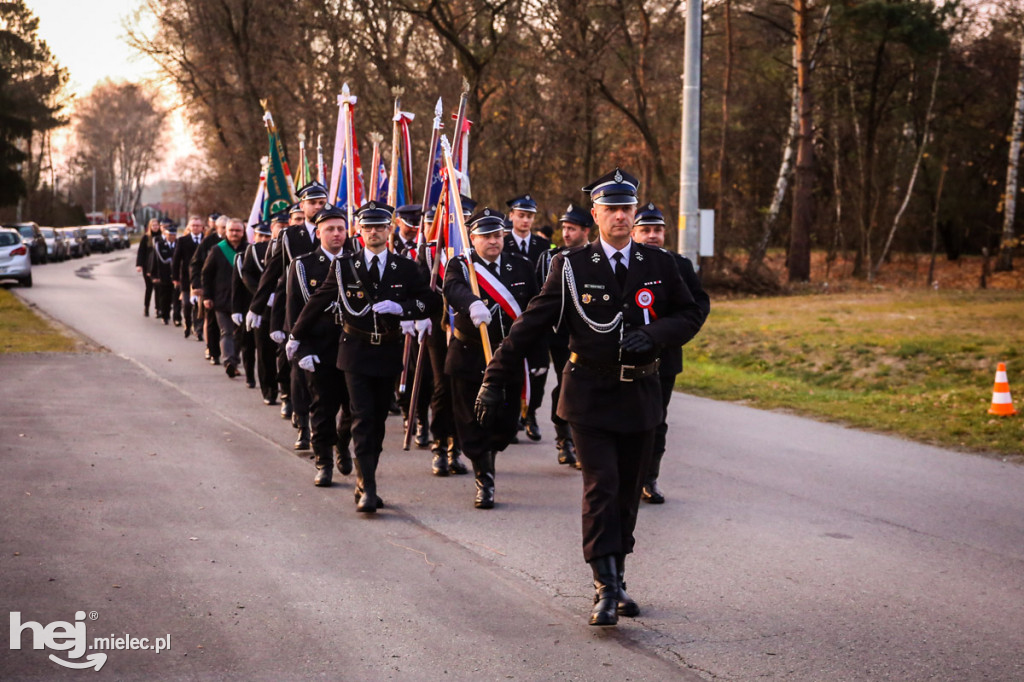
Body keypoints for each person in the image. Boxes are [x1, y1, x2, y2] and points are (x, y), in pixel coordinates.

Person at [476, 168, 707, 626]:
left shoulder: (661, 264)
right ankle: (604, 585)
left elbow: (694, 309)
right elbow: (531, 324)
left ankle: (618, 573)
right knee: (601, 487)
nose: (621, 216)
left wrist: (658, 334)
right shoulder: (570, 265)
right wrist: (495, 376)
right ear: (596, 214)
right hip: (589, 395)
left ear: (635, 212)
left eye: (627, 209)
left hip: (641, 393)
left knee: (625, 494)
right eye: (612, 209)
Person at [291, 201, 438, 513]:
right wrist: (296, 336)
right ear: (359, 231)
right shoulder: (345, 267)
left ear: (389, 230)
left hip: (386, 351)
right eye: (368, 226)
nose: (374, 232)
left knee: (379, 421)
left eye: (380, 226)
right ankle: (366, 487)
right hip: (354, 351)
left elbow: (430, 302)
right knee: (362, 417)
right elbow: (319, 300)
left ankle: (366, 473)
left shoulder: (406, 267)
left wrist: (404, 309)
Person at [444, 208, 537, 508]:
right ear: (472, 238)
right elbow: (452, 288)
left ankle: (490, 454)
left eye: (497, 235)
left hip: (506, 355)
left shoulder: (521, 266)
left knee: (507, 423)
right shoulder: (461, 265)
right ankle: (484, 478)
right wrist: (470, 303)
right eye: (486, 236)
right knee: (472, 420)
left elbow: (534, 305)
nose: (493, 241)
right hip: (469, 354)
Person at [630, 202, 710, 504]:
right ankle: (624, 477)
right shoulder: (622, 265)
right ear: (634, 232)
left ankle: (649, 478)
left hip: (664, 360)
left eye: (658, 230)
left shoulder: (679, 265)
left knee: (656, 421)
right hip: (623, 359)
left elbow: (697, 308)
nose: (652, 235)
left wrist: (665, 334)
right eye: (646, 230)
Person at [283, 205, 353, 486]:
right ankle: (323, 462)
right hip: (319, 348)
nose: (336, 234)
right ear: (318, 232)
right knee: (323, 410)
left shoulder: (355, 262)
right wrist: (302, 349)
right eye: (330, 229)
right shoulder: (303, 265)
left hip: (352, 348)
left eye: (341, 229)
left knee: (353, 409)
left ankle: (343, 443)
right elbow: (296, 310)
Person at [537, 203, 594, 468]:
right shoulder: (553, 258)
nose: (566, 233)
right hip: (560, 335)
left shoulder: (597, 258)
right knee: (566, 384)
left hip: (590, 335)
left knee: (588, 389)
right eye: (564, 228)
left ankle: (585, 442)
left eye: (572, 228)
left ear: (586, 230)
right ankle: (564, 439)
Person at [503, 194, 550, 442]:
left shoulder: (543, 247)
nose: (525, 220)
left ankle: (530, 415)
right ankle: (511, 419)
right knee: (511, 369)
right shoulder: (502, 242)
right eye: (521, 215)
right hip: (510, 313)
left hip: (537, 315)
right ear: (511, 216)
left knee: (538, 369)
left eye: (529, 216)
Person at [202, 217, 248, 379]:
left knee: (240, 334)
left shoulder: (249, 250)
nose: (234, 233)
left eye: (238, 230)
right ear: (225, 232)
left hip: (243, 301)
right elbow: (206, 274)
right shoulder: (217, 250)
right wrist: (206, 296)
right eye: (231, 230)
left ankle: (234, 360)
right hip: (221, 300)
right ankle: (229, 362)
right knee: (226, 332)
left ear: (243, 232)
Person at [232, 221, 274, 389]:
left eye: (267, 236)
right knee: (248, 345)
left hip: (269, 309)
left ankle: (269, 383)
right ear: (253, 236)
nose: (263, 239)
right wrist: (236, 310)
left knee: (266, 349)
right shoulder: (242, 257)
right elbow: (237, 285)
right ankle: (250, 375)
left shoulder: (275, 255)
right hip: (248, 306)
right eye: (260, 236)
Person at [192, 215, 227, 364]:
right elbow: (196, 264)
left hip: (230, 289)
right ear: (217, 228)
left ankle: (230, 355)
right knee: (211, 321)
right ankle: (213, 351)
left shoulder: (237, 243)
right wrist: (197, 285)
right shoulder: (209, 242)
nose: (226, 231)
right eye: (223, 228)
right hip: (212, 289)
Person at [174, 215, 206, 340]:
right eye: (193, 225)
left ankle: (198, 330)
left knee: (199, 306)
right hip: (186, 279)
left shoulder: (206, 240)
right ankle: (187, 323)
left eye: (198, 225)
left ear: (202, 227)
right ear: (189, 227)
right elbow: (176, 261)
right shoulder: (182, 241)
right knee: (187, 304)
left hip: (201, 278)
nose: (195, 227)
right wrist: (175, 277)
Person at [149, 221, 179, 325]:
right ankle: (165, 315)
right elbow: (156, 260)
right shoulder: (160, 245)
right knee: (165, 297)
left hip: (176, 275)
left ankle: (177, 317)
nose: (172, 237)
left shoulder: (179, 244)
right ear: (165, 235)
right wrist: (154, 275)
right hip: (164, 275)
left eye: (174, 235)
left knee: (176, 298)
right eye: (170, 235)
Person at [136, 219, 162, 317]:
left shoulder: (161, 237)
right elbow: (141, 252)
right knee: (149, 288)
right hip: (148, 266)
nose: (155, 227)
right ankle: (146, 307)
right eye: (153, 225)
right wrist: (139, 265)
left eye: (157, 225)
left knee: (158, 288)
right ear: (150, 227)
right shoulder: (146, 238)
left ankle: (158, 308)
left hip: (158, 267)